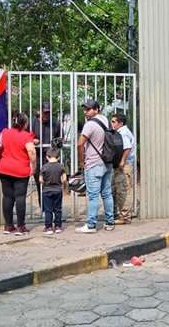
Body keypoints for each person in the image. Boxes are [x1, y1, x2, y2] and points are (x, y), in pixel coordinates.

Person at [76, 99, 114, 233]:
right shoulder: (105, 120)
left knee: (92, 195)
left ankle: (91, 225)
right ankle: (110, 222)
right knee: (107, 193)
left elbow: (80, 144)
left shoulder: (90, 125)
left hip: (93, 163)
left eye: (88, 109)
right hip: (107, 162)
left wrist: (81, 161)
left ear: (96, 109)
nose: (85, 111)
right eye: (85, 109)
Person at [0, 112, 36, 235]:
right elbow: (32, 152)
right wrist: (33, 167)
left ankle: (8, 226)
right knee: (20, 197)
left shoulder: (4, 132)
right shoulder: (26, 136)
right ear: (24, 123)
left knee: (7, 197)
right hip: (20, 170)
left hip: (4, 169)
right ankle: (20, 226)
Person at [32, 103, 62, 208]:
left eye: (48, 112)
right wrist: (32, 140)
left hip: (52, 158)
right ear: (39, 112)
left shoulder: (55, 123)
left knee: (55, 184)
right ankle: (44, 209)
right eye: (45, 112)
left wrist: (56, 143)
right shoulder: (33, 123)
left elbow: (60, 140)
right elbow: (25, 138)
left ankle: (55, 209)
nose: (46, 115)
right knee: (41, 184)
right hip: (38, 157)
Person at [110, 113, 135, 226]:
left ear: (120, 123)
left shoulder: (123, 133)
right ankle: (120, 214)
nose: (112, 124)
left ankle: (125, 216)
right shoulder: (121, 132)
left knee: (123, 190)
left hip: (124, 166)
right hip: (122, 165)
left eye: (113, 122)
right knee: (118, 189)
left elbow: (128, 147)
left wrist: (122, 161)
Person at [39, 147, 67, 235]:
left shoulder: (44, 167)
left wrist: (45, 182)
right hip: (58, 190)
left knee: (48, 210)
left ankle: (48, 227)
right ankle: (58, 226)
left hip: (47, 190)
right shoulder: (61, 166)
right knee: (58, 209)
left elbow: (40, 179)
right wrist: (60, 182)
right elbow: (64, 179)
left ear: (47, 157)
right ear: (58, 157)